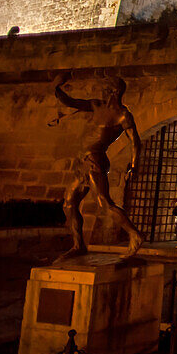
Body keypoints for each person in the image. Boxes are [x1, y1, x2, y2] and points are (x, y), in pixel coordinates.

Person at [53, 72, 144, 261]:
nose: (102, 90)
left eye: (105, 88)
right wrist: (56, 88)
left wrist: (134, 165)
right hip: (82, 161)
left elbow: (135, 141)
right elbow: (71, 102)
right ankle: (79, 245)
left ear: (114, 91)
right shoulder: (96, 105)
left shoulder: (122, 115)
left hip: (95, 160)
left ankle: (134, 235)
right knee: (69, 203)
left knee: (104, 203)